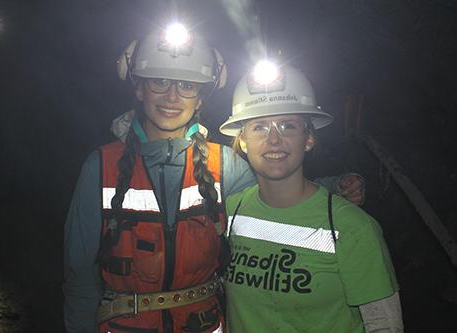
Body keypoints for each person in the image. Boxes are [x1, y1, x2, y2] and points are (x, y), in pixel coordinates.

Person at [63, 24, 365, 333]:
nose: (172, 96)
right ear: (139, 88)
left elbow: (273, 204)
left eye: (187, 85)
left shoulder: (226, 165)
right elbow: (79, 277)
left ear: (201, 97)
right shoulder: (101, 166)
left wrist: (333, 188)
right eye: (160, 81)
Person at [219, 61, 403, 333]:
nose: (273, 140)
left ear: (308, 139)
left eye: (288, 125)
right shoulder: (231, 213)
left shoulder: (352, 227)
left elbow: (384, 325)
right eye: (259, 127)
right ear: (242, 140)